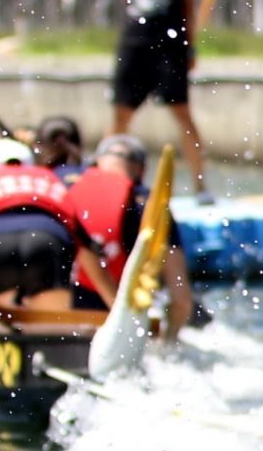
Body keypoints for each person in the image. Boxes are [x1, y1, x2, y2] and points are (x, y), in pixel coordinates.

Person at [108, 0, 207, 198]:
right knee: (121, 114)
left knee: (181, 112)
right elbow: (126, 0)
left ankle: (201, 185)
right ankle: (108, 182)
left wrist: (190, 45)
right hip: (134, 45)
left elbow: (189, 2)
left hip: (168, 45)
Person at [66, 132, 197, 330]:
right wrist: (169, 343)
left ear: (96, 162)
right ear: (142, 170)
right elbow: (181, 298)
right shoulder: (151, 207)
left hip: (60, 311)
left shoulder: (63, 188)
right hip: (117, 320)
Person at [0, 138, 95, 311]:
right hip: (47, 241)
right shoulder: (49, 180)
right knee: (54, 320)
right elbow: (88, 251)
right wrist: (115, 308)